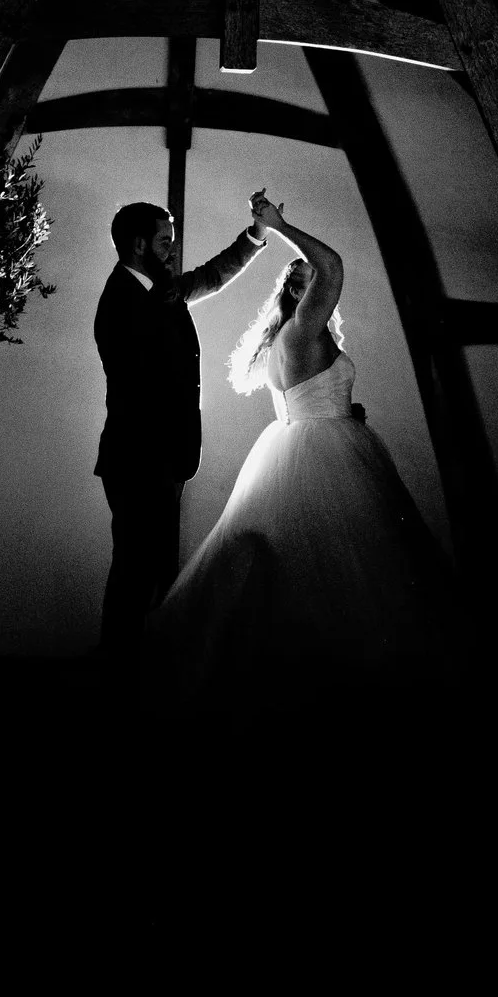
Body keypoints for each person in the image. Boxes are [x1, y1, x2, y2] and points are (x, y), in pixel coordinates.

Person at [141, 192, 458, 736]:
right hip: (330, 450)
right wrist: (279, 226)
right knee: (358, 573)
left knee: (303, 573)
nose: (322, 289)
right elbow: (333, 266)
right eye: (307, 282)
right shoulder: (304, 330)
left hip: (296, 441)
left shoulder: (282, 343)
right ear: (296, 291)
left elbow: (308, 394)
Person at [91, 196, 272, 700]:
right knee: (134, 571)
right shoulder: (122, 301)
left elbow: (211, 276)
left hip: (163, 460)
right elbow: (139, 385)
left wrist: (256, 235)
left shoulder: (157, 287)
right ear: (138, 244)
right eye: (165, 242)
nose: (172, 252)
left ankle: (127, 674)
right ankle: (117, 681)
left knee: (142, 571)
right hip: (138, 460)